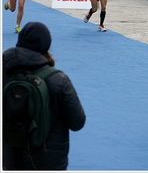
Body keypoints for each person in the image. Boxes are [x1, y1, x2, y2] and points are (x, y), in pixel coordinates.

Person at [3, 22, 86, 170]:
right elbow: (77, 122)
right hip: (48, 160)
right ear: (46, 45)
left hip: (9, 158)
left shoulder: (4, 71)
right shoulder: (59, 80)